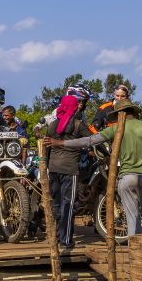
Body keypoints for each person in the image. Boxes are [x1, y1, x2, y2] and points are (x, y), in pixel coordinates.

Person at [45, 97, 142, 274]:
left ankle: (136, 261)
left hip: (126, 179)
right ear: (134, 112)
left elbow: (89, 141)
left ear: (119, 114)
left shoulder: (115, 129)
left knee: (132, 218)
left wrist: (61, 143)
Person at [38, 85, 91, 250]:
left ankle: (55, 236)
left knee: (56, 204)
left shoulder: (53, 124)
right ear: (74, 108)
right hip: (70, 170)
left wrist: (45, 166)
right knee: (68, 204)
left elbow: (46, 146)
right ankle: (66, 240)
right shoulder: (78, 124)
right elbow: (92, 140)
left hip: (53, 168)